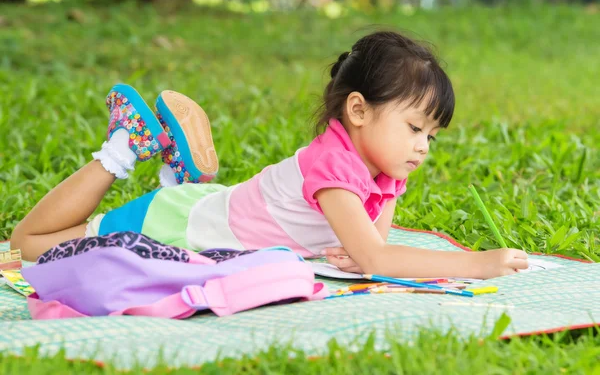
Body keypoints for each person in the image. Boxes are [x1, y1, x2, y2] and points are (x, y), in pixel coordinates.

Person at [11, 31, 529, 279]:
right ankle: (124, 147)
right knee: (28, 244)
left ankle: (178, 174)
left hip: (215, 214)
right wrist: (476, 264)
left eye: (431, 136)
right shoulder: (333, 168)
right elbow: (377, 258)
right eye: (415, 127)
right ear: (358, 110)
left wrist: (366, 253)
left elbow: (370, 251)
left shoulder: (387, 171)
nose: (422, 145)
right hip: (178, 227)